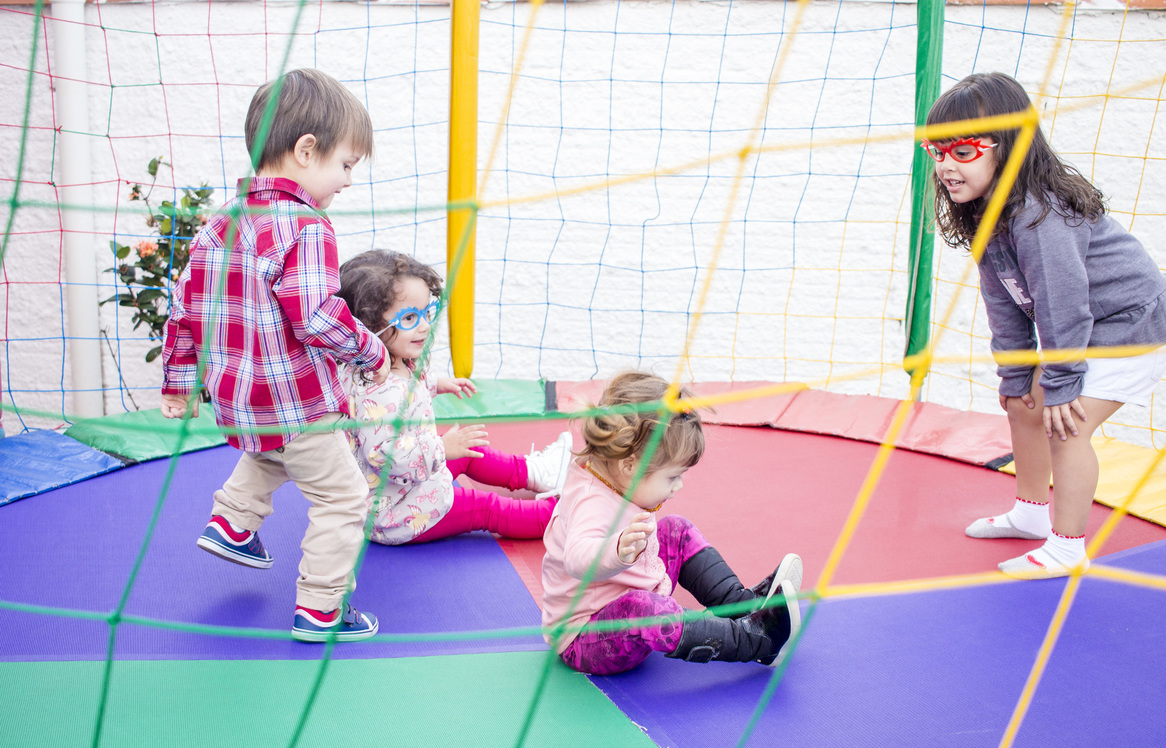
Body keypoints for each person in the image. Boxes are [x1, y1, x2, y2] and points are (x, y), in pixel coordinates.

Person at [923, 72, 1166, 579]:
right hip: (1090, 328)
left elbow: (1062, 304)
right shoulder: (987, 214)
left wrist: (1064, 382)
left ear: (1007, 150)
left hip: (1133, 326)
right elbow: (1003, 302)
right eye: (935, 152)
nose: (944, 166)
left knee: (1065, 423)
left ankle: (1068, 548)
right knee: (1025, 403)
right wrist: (1013, 375)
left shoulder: (1039, 217)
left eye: (961, 153)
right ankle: (1030, 514)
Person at [161, 68, 391, 642]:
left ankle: (232, 524)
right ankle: (321, 609)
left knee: (273, 454)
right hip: (298, 403)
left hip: (242, 401)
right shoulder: (307, 225)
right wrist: (369, 350)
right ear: (306, 150)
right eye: (345, 165)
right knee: (343, 495)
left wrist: (180, 381)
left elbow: (185, 306)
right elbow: (314, 316)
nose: (345, 182)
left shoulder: (218, 225)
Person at [541, 370, 804, 675]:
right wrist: (616, 551)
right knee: (646, 611)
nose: (678, 486)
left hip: (620, 594)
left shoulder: (616, 475)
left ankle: (743, 606)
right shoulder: (592, 500)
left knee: (676, 529)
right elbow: (576, 560)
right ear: (629, 466)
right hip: (587, 639)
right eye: (672, 477)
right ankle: (755, 642)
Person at [335, 249, 572, 544]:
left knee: (471, 452)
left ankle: (535, 472)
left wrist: (436, 383)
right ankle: (559, 517)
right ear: (370, 327)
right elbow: (387, 456)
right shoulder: (382, 393)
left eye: (426, 313)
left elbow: (404, 393)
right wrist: (443, 449)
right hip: (396, 514)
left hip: (407, 483)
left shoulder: (380, 363)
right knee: (485, 508)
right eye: (410, 318)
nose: (424, 326)